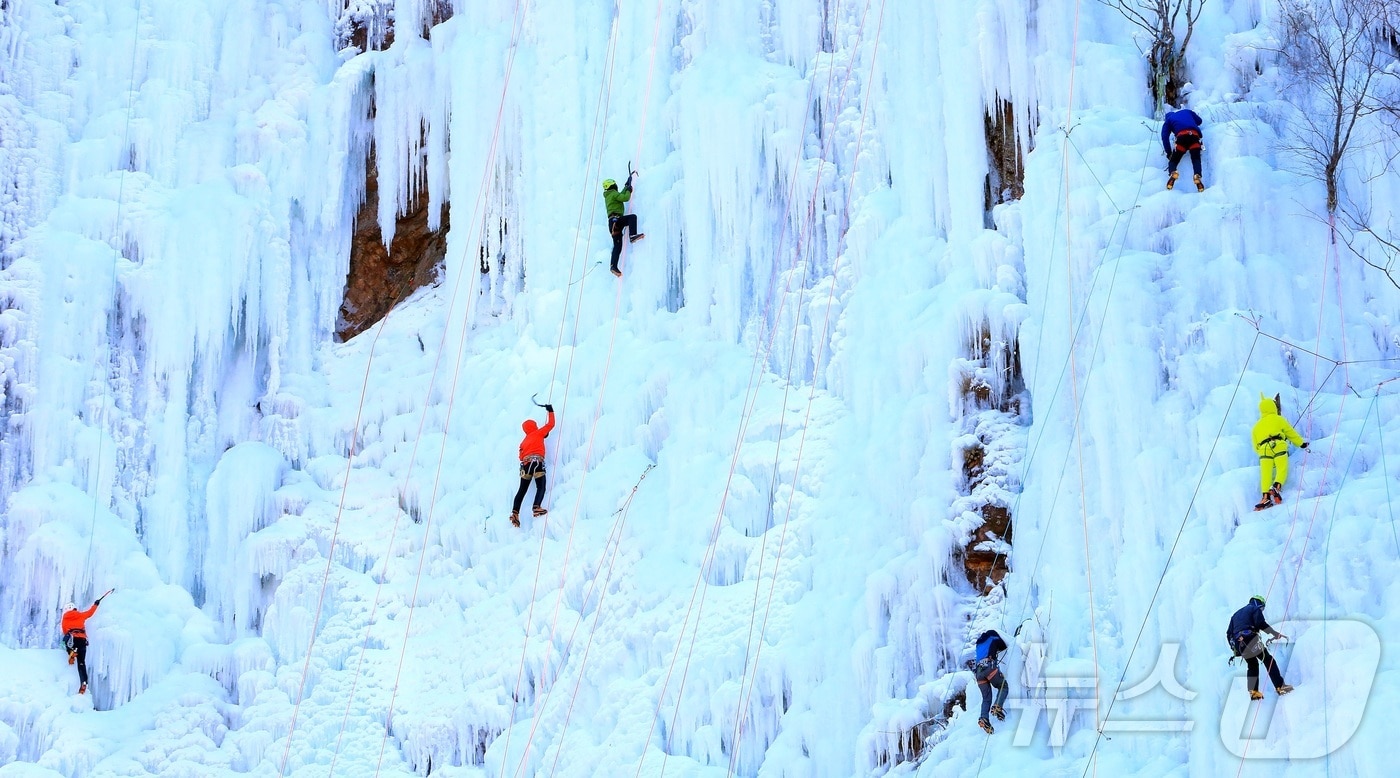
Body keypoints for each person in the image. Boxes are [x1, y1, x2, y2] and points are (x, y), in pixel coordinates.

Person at [1226, 595, 1293, 699]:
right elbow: (1260, 623)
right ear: (1258, 602)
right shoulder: (1254, 608)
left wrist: (1236, 649)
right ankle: (1280, 686)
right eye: (1262, 607)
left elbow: (1229, 634)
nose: (1261, 610)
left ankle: (1254, 693)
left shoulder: (1235, 615)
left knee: (1252, 665)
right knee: (1268, 659)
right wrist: (1274, 633)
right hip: (1250, 638)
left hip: (1240, 644)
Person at [1251, 394, 1308, 510]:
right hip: (1278, 445)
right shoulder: (1278, 419)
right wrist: (1301, 443)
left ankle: (1265, 497)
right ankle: (1276, 487)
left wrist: (1262, 453)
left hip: (1264, 450)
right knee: (1281, 468)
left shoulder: (1256, 427)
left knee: (1265, 474)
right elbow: (1290, 432)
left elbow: (1255, 445)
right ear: (1273, 407)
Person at [511, 404, 556, 527]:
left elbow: (520, 456)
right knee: (540, 486)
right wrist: (550, 410)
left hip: (525, 466)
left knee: (522, 490)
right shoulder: (538, 433)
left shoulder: (523, 442)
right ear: (534, 426)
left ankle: (515, 513)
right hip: (537, 463)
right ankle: (536, 507)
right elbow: (551, 424)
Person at [603, 173, 645, 277]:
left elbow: (620, 195)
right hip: (616, 221)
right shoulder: (613, 193)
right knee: (632, 217)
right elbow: (625, 198)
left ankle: (613, 266)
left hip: (612, 224)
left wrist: (626, 186)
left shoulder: (610, 195)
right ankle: (632, 235)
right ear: (612, 186)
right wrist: (629, 190)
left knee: (617, 246)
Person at [61, 596, 104, 694]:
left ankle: (71, 651)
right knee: (81, 663)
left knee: (64, 642)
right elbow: (90, 613)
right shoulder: (80, 615)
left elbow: (64, 630)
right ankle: (84, 682)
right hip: (82, 641)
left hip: (72, 639)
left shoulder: (65, 618)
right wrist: (96, 604)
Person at [970, 629, 1010, 734]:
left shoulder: (978, 645)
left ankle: (984, 718)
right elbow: (1003, 645)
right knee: (1003, 686)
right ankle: (998, 707)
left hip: (978, 673)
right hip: (989, 667)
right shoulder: (992, 637)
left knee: (986, 698)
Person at [1161, 105, 1205, 191]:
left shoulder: (1168, 121)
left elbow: (1164, 137)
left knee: (1173, 161)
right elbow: (1199, 121)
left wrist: (1169, 153)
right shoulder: (1187, 111)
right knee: (1196, 159)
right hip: (1194, 136)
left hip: (1181, 139)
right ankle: (1197, 175)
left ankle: (1173, 172)